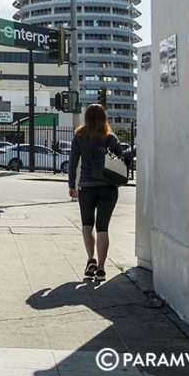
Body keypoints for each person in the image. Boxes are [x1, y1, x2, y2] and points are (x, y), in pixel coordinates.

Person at [67, 103, 123, 282]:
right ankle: (101, 269)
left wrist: (71, 185)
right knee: (103, 228)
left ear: (86, 117)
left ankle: (91, 259)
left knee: (87, 224)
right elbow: (121, 161)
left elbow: (73, 162)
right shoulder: (111, 137)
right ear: (104, 117)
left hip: (87, 186)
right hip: (108, 186)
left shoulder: (79, 136)